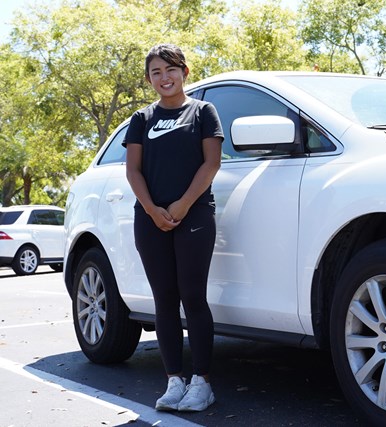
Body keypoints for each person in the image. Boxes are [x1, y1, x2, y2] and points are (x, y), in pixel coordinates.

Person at [123, 43, 224, 412]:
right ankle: (174, 381)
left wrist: (182, 205)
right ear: (149, 79)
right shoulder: (141, 118)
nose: (164, 78)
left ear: (183, 71)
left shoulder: (203, 112)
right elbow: (133, 170)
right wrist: (152, 210)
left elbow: (211, 163)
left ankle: (202, 383)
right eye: (155, 72)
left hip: (193, 215)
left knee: (192, 297)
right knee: (164, 301)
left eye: (170, 70)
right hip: (150, 220)